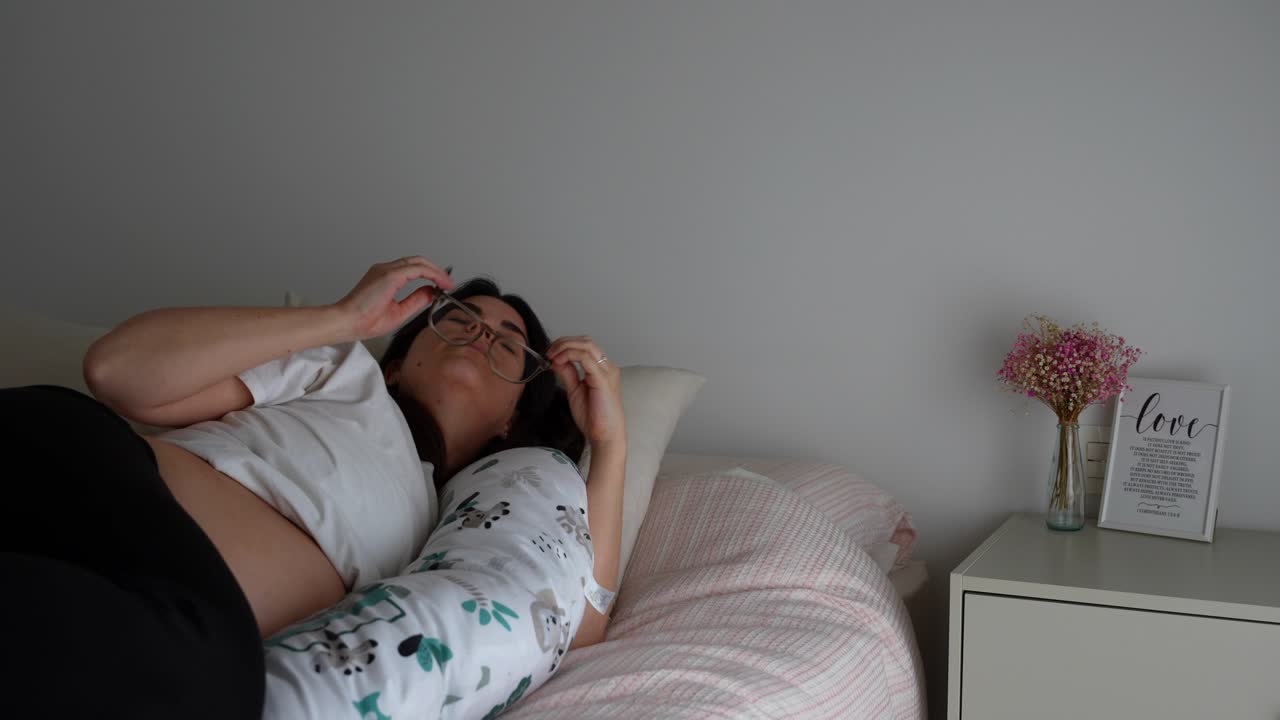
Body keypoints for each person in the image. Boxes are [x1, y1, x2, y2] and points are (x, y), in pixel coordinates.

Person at [1, 256, 626, 719]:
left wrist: (611, 444)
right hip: (94, 482)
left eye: (508, 343)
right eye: (460, 316)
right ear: (399, 361)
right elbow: (116, 372)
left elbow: (576, 622)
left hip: (175, 629)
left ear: (512, 416)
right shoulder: (341, 371)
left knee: (203, 688)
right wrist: (340, 319)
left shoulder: (464, 518)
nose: (482, 333)